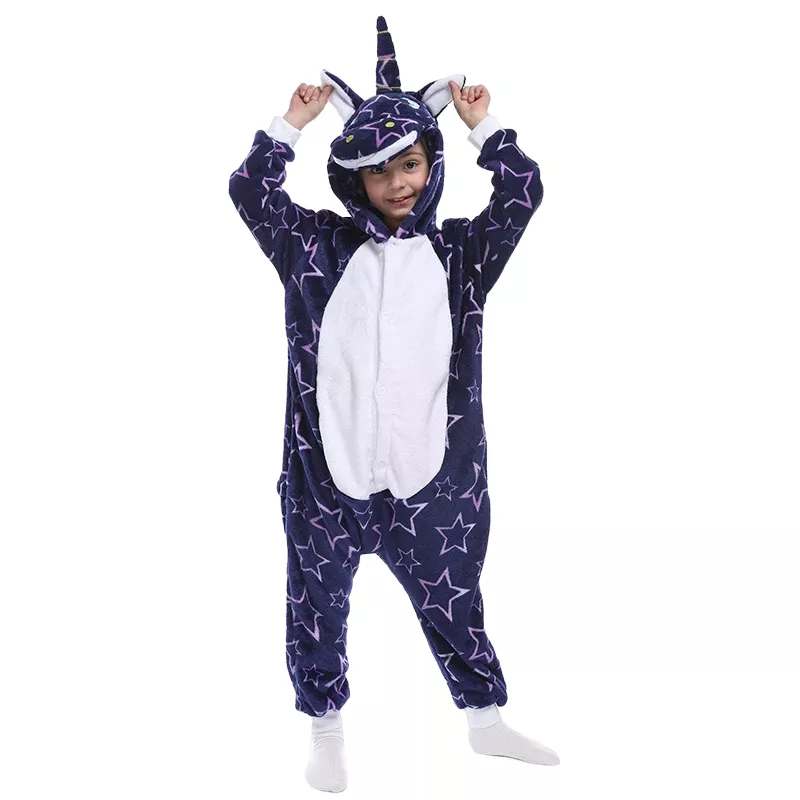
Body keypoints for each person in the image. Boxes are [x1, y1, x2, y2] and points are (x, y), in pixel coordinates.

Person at [229, 15, 559, 793]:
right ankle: (325, 730)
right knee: (315, 603)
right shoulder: (313, 249)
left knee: (456, 600)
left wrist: (485, 127)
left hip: (434, 484)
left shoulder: (462, 256)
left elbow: (523, 192)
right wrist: (290, 125)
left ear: (432, 161)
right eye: (379, 172)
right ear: (354, 179)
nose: (399, 184)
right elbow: (249, 191)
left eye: (410, 163)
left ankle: (484, 721)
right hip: (326, 483)